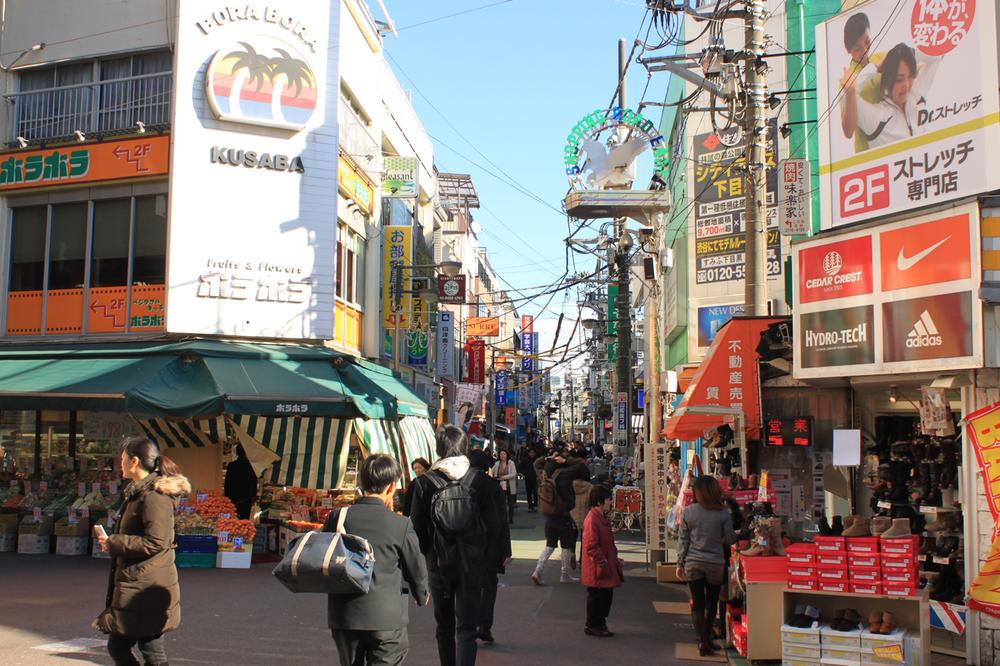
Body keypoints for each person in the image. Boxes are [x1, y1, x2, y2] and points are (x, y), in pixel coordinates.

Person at [323, 454, 429, 666]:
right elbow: (415, 566)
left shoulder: (338, 517)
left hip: (345, 615)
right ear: (391, 487)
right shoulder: (400, 524)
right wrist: (421, 593)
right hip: (386, 618)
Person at [411, 425, 503, 666]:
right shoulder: (480, 480)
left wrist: (426, 560)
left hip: (439, 564)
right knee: (467, 628)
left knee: (444, 626)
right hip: (472, 563)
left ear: (439, 448)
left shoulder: (424, 483)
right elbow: (494, 526)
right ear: (464, 447)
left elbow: (418, 530)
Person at [94, 437, 191, 666]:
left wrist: (115, 542)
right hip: (142, 582)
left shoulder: (154, 495)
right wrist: (113, 543)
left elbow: (156, 542)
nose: (120, 463)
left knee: (134, 650)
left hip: (146, 585)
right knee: (139, 649)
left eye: (123, 459)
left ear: (134, 461)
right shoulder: (141, 491)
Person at [677, 476, 737, 656]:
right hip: (715, 563)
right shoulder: (723, 513)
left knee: (697, 603)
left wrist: (680, 563)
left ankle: (703, 641)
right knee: (712, 602)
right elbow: (730, 539)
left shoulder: (688, 512)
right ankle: (707, 640)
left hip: (693, 563)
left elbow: (683, 541)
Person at [844, 42, 942, 150]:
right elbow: (849, 91)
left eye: (910, 76)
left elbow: (936, 56)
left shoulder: (916, 95)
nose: (906, 85)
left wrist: (911, 54)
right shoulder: (877, 117)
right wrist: (876, 67)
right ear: (888, 80)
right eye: (899, 79)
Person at [468, 449, 512, 645]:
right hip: (488, 545)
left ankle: (466, 624)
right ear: (487, 466)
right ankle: (483, 627)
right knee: (488, 585)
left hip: (462, 545)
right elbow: (501, 521)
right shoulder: (492, 486)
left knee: (467, 587)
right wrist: (506, 551)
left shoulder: (458, 483)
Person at [531, 446, 591, 585]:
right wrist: (566, 460)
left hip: (549, 514)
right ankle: (564, 574)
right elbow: (579, 465)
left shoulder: (543, 474)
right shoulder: (565, 474)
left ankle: (538, 570)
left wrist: (547, 458)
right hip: (563, 514)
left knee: (550, 545)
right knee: (566, 544)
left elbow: (536, 464)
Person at [581, 485, 623, 637]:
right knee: (598, 596)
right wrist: (603, 561)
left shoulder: (600, 517)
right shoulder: (593, 519)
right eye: (608, 499)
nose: (610, 502)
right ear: (599, 502)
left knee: (605, 596)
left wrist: (613, 559)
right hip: (597, 566)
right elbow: (591, 546)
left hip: (603, 564)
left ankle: (599, 624)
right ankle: (593, 624)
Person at [223, 444, 259, 520]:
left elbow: (227, 483)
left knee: (233, 520)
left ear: (236, 453)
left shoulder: (232, 465)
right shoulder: (250, 466)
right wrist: (253, 496)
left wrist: (227, 498)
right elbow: (253, 481)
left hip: (233, 498)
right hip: (246, 499)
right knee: (244, 521)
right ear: (246, 452)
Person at [490, 449, 517, 524]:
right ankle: (502, 518)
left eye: (504, 454)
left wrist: (504, 477)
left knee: (510, 503)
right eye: (501, 454)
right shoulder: (497, 463)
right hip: (500, 486)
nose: (502, 456)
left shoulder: (511, 463)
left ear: (507, 455)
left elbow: (514, 474)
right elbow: (491, 472)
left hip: (509, 486)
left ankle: (510, 518)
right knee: (501, 503)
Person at [518, 446, 539, 512]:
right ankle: (530, 506)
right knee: (529, 493)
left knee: (536, 493)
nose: (532, 454)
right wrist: (524, 474)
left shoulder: (537, 460)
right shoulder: (525, 460)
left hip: (536, 478)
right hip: (528, 478)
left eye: (533, 453)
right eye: (530, 453)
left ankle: (535, 505)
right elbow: (520, 467)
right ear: (528, 453)